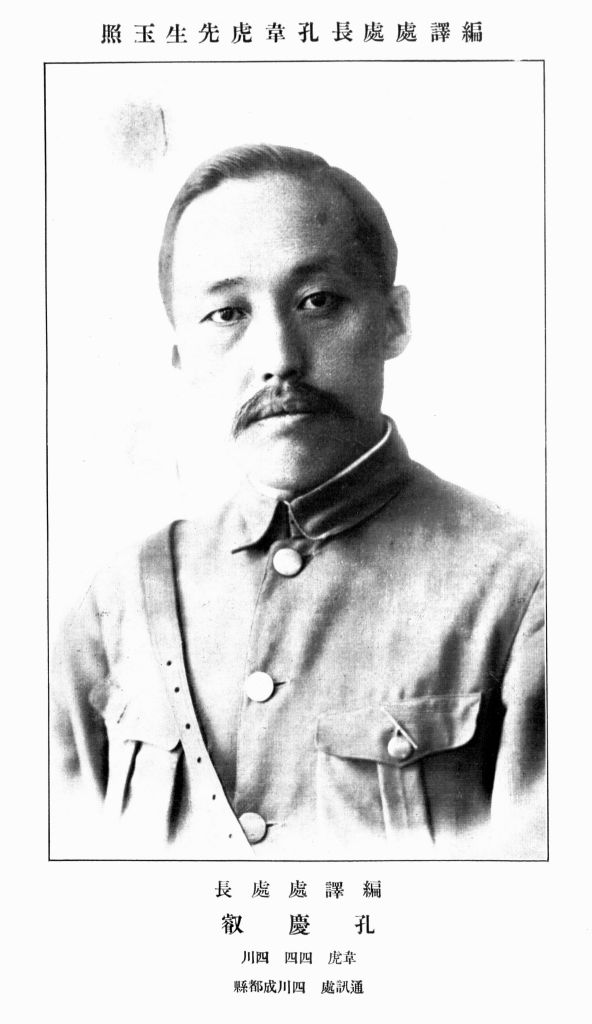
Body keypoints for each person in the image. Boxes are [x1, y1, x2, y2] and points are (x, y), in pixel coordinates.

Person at [51, 144, 545, 859]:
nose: (278, 357)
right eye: (226, 314)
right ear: (182, 358)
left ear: (394, 320)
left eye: (318, 302)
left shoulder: (524, 590)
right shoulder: (116, 601)